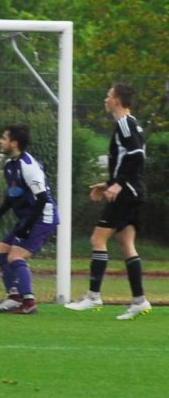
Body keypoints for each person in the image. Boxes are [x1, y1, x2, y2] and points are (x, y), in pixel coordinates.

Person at [64, 83, 151, 320]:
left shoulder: (125, 123)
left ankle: (93, 297)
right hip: (133, 191)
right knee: (126, 244)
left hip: (127, 193)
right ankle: (139, 301)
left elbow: (136, 156)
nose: (105, 99)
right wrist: (109, 183)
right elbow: (130, 159)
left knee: (97, 238)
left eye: (108, 96)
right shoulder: (130, 124)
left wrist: (118, 184)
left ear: (116, 101)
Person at [0, 124, 59, 315]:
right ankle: (14, 297)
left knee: (15, 256)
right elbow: (13, 195)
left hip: (42, 216)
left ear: (14, 143)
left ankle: (29, 302)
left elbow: (42, 199)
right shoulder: (10, 165)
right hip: (29, 217)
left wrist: (27, 226)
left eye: (3, 138)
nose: (0, 141)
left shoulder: (29, 166)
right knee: (1, 250)